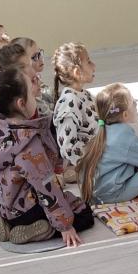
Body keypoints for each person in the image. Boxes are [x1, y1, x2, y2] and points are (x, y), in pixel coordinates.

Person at [0, 67, 94, 246]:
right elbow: (46, 187)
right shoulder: (28, 143)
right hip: (29, 211)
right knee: (84, 213)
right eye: (32, 96)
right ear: (21, 104)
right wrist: (65, 225)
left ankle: (8, 224)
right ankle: (41, 229)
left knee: (67, 200)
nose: (36, 97)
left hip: (7, 208)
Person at [78, 83, 138, 204]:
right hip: (112, 195)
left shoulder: (101, 128)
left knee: (132, 162)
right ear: (125, 114)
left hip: (95, 192)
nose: (136, 103)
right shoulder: (124, 135)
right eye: (133, 102)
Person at [51, 42, 99, 180]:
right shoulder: (69, 102)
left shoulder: (84, 94)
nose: (94, 65)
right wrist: (88, 164)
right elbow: (68, 147)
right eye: (88, 62)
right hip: (91, 162)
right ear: (77, 72)